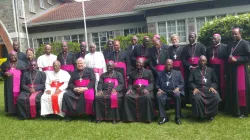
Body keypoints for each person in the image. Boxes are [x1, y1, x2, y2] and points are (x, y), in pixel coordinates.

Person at [225, 28, 250, 118]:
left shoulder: (245, 43)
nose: (234, 36)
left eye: (236, 34)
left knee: (240, 90)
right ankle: (233, 109)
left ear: (240, 33)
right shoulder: (230, 45)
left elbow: (248, 57)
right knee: (232, 89)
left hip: (241, 70)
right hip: (232, 70)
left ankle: (242, 111)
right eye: (232, 34)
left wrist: (237, 60)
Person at [189, 55, 221, 121]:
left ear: (206, 62)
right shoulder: (194, 71)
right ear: (198, 61)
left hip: (208, 89)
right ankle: (200, 115)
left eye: (204, 61)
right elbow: (190, 82)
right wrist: (194, 88)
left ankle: (211, 115)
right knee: (196, 98)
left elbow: (215, 81)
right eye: (201, 61)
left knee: (216, 96)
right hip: (198, 89)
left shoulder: (211, 70)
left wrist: (213, 87)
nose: (202, 62)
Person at [123, 58, 156, 122]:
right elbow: (129, 83)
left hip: (145, 89)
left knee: (147, 97)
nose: (138, 64)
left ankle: (147, 118)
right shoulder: (132, 73)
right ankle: (130, 118)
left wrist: (147, 89)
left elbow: (152, 83)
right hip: (135, 90)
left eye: (140, 63)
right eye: (137, 62)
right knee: (127, 96)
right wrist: (129, 89)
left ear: (143, 64)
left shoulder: (149, 72)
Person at [156, 59, 184, 125]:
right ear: (165, 65)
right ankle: (163, 117)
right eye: (167, 64)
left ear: (172, 65)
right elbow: (157, 84)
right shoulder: (160, 74)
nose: (168, 66)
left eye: (170, 64)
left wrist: (178, 88)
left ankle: (177, 117)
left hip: (174, 91)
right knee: (159, 96)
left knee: (177, 95)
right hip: (164, 91)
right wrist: (159, 89)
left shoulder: (178, 73)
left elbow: (182, 83)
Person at [182, 32, 206, 104]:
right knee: (189, 83)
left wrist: (198, 66)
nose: (191, 38)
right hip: (189, 69)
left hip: (199, 68)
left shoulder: (201, 46)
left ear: (195, 38)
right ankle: (189, 101)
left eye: (192, 37)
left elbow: (204, 58)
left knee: (198, 83)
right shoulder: (185, 48)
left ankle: (199, 100)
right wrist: (190, 66)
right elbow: (183, 59)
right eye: (189, 37)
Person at [206, 34, 227, 105]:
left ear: (219, 39)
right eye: (212, 39)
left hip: (221, 69)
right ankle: (212, 101)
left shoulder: (224, 47)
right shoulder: (208, 48)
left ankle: (222, 102)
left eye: (215, 39)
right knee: (212, 83)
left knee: (221, 84)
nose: (213, 40)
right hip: (211, 69)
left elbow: (226, 60)